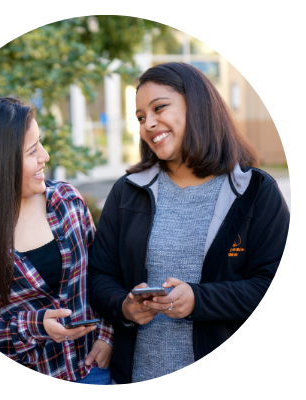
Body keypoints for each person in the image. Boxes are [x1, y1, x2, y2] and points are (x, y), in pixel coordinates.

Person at [88, 62, 290, 384]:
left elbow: (266, 282)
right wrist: (124, 307)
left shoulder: (255, 192)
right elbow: (99, 275)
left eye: (159, 108)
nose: (149, 124)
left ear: (196, 106)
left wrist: (198, 300)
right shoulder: (128, 192)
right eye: (141, 117)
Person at [0, 97, 113, 384]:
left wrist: (106, 334)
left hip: (93, 368)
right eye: (32, 151)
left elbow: (102, 274)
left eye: (40, 143)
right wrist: (34, 326)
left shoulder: (67, 201)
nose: (45, 156)